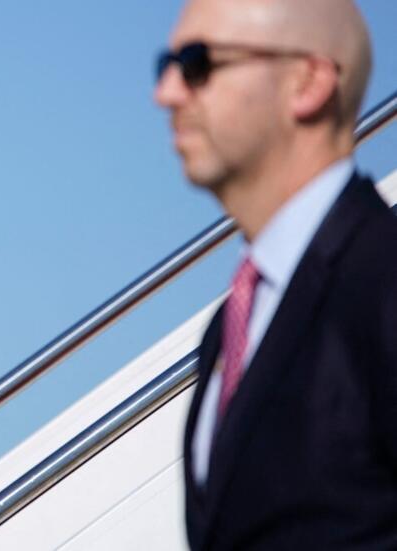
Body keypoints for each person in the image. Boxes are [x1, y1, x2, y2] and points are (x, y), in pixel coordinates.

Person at [154, 0, 397, 549]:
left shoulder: (382, 282)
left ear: (307, 82)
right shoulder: (228, 330)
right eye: (164, 68)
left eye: (197, 64)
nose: (166, 93)